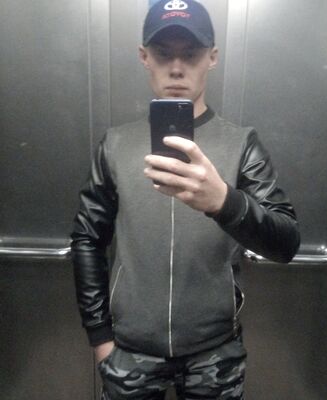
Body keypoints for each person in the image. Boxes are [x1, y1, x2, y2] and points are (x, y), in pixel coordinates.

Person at [71, 1, 300, 399]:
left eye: (191, 54)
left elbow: (286, 243)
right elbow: (87, 239)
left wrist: (224, 201)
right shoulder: (116, 144)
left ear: (212, 58)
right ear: (144, 57)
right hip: (129, 350)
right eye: (163, 54)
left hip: (215, 352)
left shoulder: (241, 144)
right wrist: (100, 338)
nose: (177, 68)